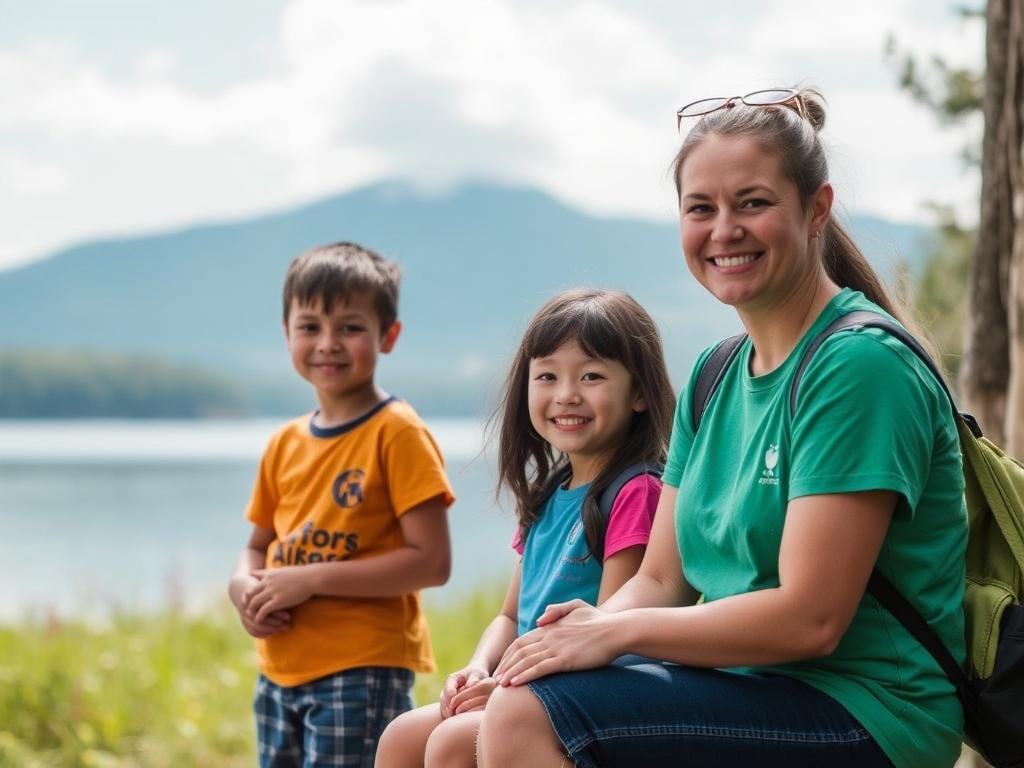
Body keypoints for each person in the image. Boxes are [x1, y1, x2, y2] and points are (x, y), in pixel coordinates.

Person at [477, 88, 968, 768]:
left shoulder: (857, 367)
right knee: (496, 707)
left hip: (868, 714)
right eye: (700, 209)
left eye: (753, 203)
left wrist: (618, 638)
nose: (724, 230)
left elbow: (811, 619)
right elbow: (661, 582)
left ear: (816, 209)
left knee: (523, 720)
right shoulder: (714, 374)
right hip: (752, 691)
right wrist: (570, 635)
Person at [375, 288, 675, 767]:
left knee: (453, 742)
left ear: (639, 392)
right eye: (547, 376)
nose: (566, 394)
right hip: (526, 682)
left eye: (592, 376)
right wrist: (478, 668)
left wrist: (511, 688)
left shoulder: (636, 491)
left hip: (596, 689)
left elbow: (613, 632)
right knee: (402, 736)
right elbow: (510, 617)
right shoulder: (548, 494)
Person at [228, 242, 455, 767]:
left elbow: (431, 562)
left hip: (360, 671)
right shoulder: (285, 442)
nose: (327, 343)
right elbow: (256, 546)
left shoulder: (396, 432)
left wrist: (309, 580)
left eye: (349, 327)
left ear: (388, 336)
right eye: (309, 326)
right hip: (279, 671)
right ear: (286, 333)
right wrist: (243, 585)